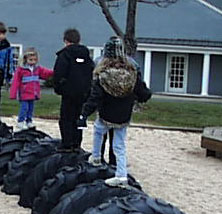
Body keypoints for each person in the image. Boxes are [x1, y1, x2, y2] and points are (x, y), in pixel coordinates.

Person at [77, 37, 152, 186]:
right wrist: (142, 96)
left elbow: (95, 98)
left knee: (99, 130)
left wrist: (84, 114)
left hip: (106, 112)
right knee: (119, 145)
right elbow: (143, 92)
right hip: (123, 114)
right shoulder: (131, 72)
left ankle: (96, 157)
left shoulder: (103, 74)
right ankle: (121, 175)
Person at [93, 36, 142, 166]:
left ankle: (98, 159)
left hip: (105, 105)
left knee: (100, 133)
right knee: (117, 137)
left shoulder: (99, 64)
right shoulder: (132, 66)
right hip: (124, 107)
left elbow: (94, 88)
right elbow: (139, 87)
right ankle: (114, 162)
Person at [53, 28, 94, 152]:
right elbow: (91, 73)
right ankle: (76, 143)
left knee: (66, 118)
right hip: (83, 93)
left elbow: (58, 73)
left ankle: (67, 144)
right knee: (78, 118)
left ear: (66, 41)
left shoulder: (64, 55)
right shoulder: (86, 56)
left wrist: (59, 88)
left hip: (68, 93)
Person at [9, 47, 53, 130]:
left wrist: (55, 72)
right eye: (31, 60)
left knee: (30, 108)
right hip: (24, 93)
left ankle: (29, 121)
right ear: (26, 59)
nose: (33, 62)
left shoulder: (37, 69)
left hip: (33, 93)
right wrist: (13, 94)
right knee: (24, 108)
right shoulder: (21, 70)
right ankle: (21, 121)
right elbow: (15, 82)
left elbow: (46, 72)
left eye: (34, 60)